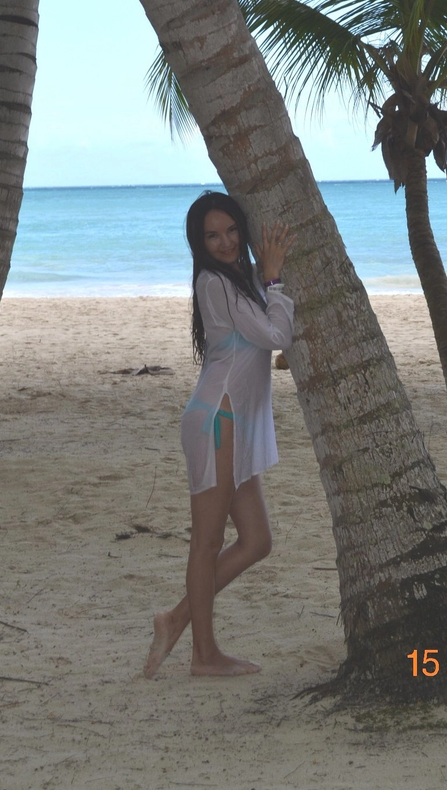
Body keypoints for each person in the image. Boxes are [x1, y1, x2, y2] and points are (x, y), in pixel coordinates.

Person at [144, 191, 294, 677]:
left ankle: (175, 619)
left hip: (234, 420)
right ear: (200, 243)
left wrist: (267, 277)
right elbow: (275, 337)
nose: (226, 242)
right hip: (217, 420)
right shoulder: (214, 283)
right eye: (213, 236)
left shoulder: (240, 279)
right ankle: (203, 656)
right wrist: (274, 278)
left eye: (231, 231)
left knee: (257, 540)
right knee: (207, 542)